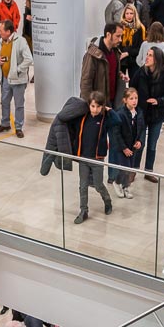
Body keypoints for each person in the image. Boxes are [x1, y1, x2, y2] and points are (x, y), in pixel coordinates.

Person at [70, 90, 115, 225]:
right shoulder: (83, 118)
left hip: (97, 159)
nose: (95, 110)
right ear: (88, 105)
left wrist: (109, 111)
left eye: (98, 107)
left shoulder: (104, 119)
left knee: (98, 184)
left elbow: (118, 121)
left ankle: (107, 201)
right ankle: (83, 210)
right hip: (84, 158)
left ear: (102, 107)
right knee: (82, 186)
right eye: (93, 106)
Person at [133, 46, 164, 175]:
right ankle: (133, 170)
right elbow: (132, 89)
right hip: (142, 113)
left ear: (157, 59)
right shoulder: (140, 72)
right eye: (147, 54)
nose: (147, 57)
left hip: (157, 114)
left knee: (152, 145)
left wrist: (159, 100)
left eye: (150, 55)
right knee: (140, 143)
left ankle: (148, 171)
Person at [0, 19, 33, 139]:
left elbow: (29, 59)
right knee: (4, 102)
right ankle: (5, 123)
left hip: (18, 80)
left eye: (1, 30)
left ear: (8, 31)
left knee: (19, 105)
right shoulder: (1, 41)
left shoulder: (21, 41)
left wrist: (17, 70)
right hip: (5, 78)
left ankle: (19, 127)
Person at [108, 87, 145, 199]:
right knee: (125, 167)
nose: (134, 101)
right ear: (125, 100)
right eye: (131, 98)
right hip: (122, 147)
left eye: (136, 98)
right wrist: (124, 148)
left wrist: (140, 141)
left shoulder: (139, 112)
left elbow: (142, 128)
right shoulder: (120, 114)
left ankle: (126, 186)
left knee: (129, 168)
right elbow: (116, 133)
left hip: (132, 146)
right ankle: (117, 182)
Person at [81, 23, 126, 107]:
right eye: (118, 36)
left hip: (112, 102)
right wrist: (91, 106)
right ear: (108, 35)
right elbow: (86, 82)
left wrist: (120, 75)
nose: (120, 40)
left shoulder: (115, 52)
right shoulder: (92, 55)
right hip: (98, 105)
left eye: (121, 36)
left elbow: (108, 70)